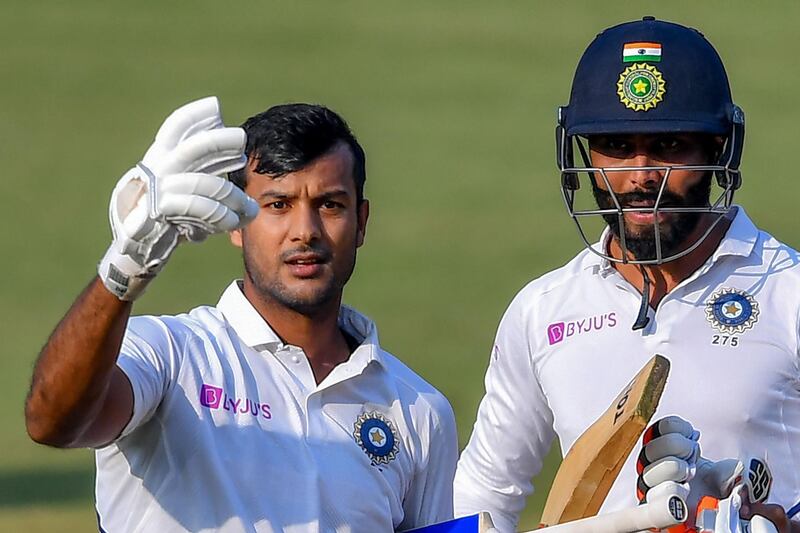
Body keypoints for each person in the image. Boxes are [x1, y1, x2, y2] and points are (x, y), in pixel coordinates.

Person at [25, 97, 458, 532]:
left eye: (330, 204)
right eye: (277, 205)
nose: (305, 231)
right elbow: (52, 422)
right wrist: (123, 271)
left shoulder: (419, 411)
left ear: (361, 221)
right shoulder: (170, 355)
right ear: (235, 221)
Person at [453, 17, 800, 533]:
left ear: (718, 149)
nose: (640, 177)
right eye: (615, 146)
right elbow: (482, 497)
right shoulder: (543, 311)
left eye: (669, 147)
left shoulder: (787, 291)